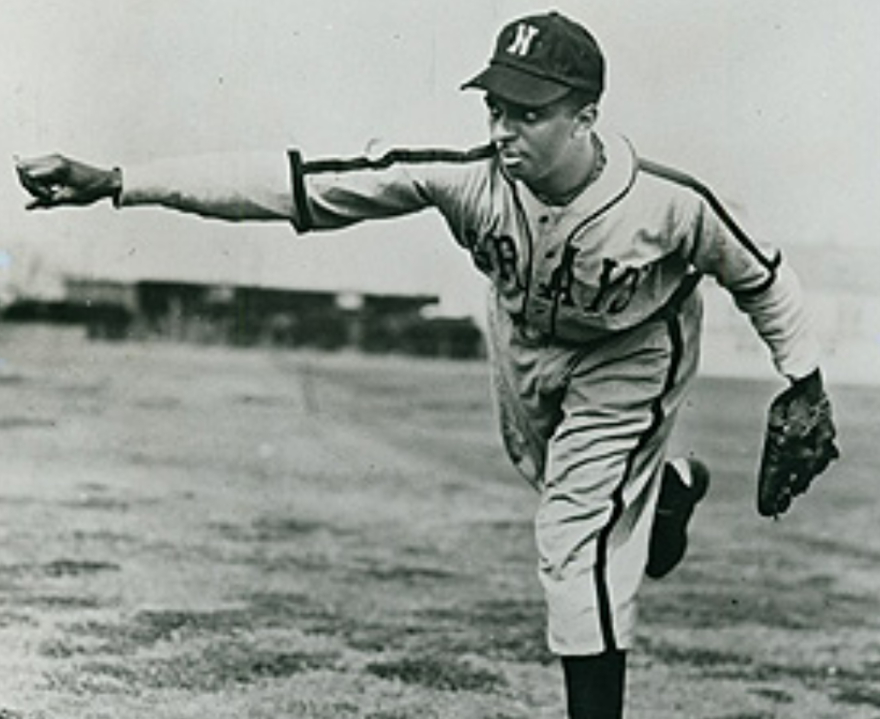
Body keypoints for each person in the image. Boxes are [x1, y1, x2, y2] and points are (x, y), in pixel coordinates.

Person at [15, 11, 838, 718]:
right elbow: (297, 186)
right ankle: (664, 495)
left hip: (633, 352)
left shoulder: (669, 202)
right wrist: (119, 182)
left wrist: (803, 382)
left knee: (570, 539)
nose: (503, 129)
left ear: (586, 117)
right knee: (557, 488)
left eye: (529, 112)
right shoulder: (470, 179)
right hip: (524, 344)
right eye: (495, 107)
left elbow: (762, 278)